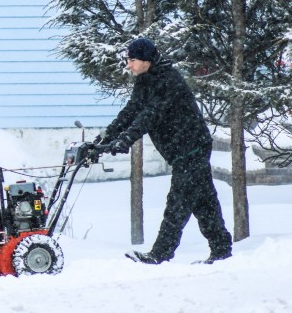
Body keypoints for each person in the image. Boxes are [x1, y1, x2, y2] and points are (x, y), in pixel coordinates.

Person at [97, 37, 233, 264]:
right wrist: (103, 140)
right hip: (182, 150)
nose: (128, 65)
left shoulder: (168, 80)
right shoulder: (145, 80)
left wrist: (126, 140)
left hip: (192, 148)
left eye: (131, 60)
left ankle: (160, 253)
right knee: (203, 201)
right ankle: (221, 249)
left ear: (146, 60)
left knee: (178, 201)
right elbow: (132, 111)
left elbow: (150, 115)